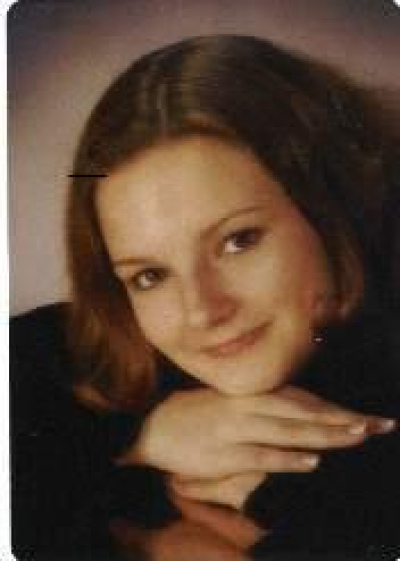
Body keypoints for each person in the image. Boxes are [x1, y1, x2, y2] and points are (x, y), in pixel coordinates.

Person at [11, 35, 400, 561]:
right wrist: (142, 436)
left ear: (330, 208)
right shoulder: (92, 351)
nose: (201, 310)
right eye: (150, 275)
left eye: (238, 241)